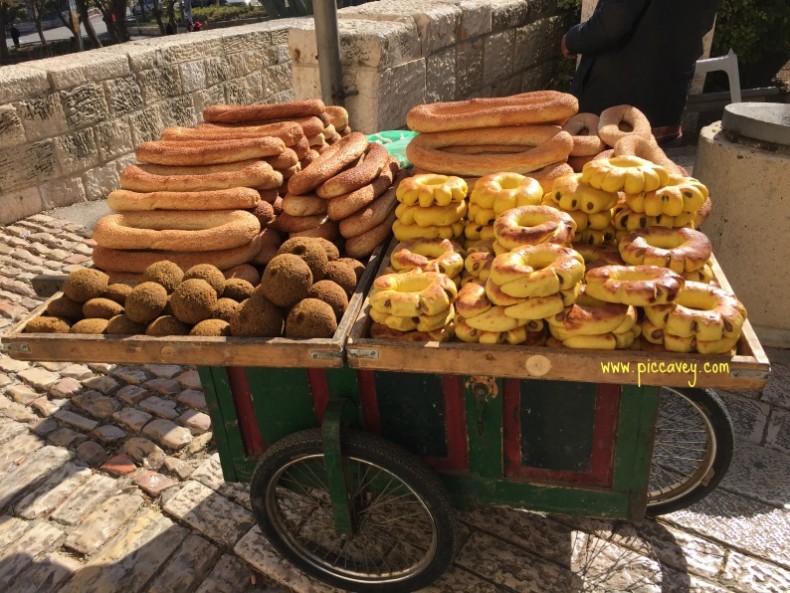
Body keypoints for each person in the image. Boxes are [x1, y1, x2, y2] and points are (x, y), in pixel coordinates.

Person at [561, 0, 720, 144]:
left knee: (597, 172)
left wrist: (571, 40)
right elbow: (703, 23)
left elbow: (610, 26)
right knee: (651, 173)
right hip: (667, 105)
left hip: (614, 105)